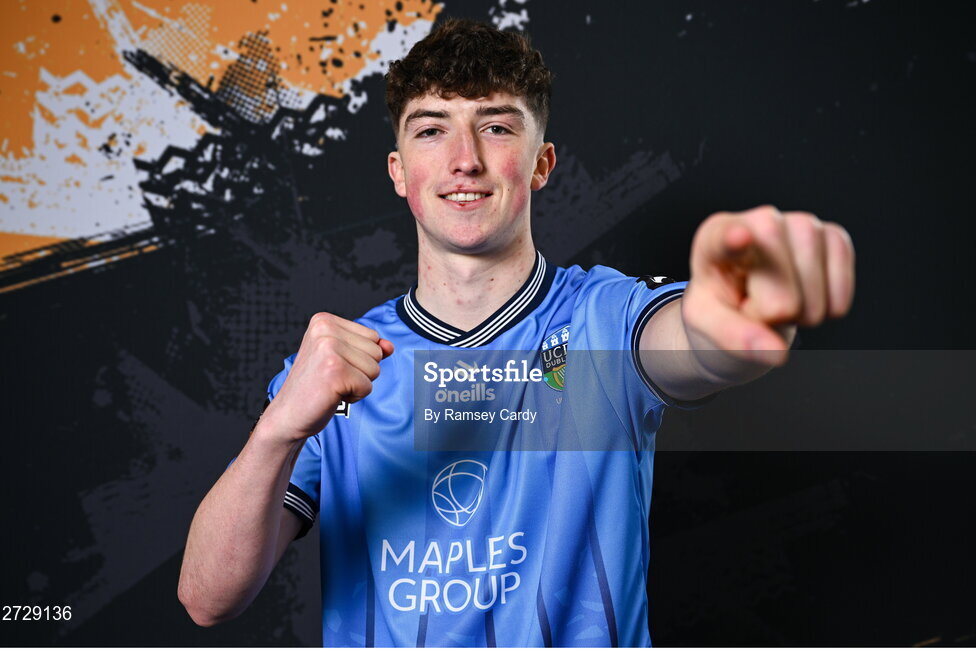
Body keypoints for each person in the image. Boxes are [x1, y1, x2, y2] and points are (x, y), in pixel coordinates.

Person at [177, 18, 854, 647]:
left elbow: (697, 344)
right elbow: (207, 598)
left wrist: (736, 310)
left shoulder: (600, 321)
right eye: (431, 130)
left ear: (541, 164)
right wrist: (279, 429)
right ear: (399, 173)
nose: (464, 159)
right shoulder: (333, 370)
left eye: (497, 128)